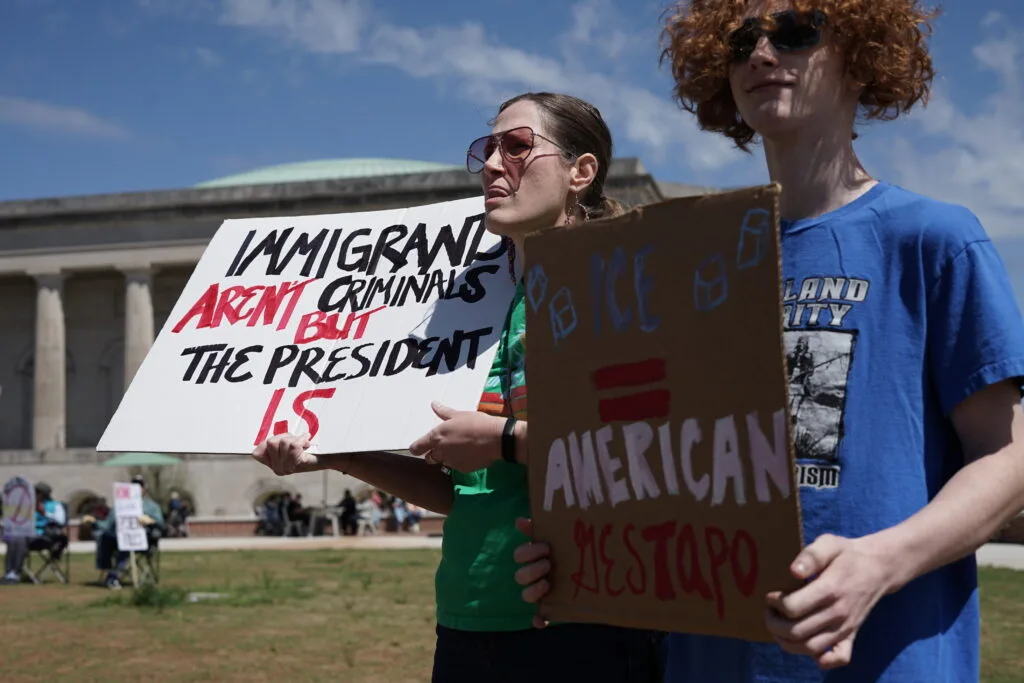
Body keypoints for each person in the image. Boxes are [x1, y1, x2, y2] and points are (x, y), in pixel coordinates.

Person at [513, 2, 1024, 682]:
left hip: (885, 658)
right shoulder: (684, 255)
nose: (760, 53)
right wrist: (583, 558)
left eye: (795, 32)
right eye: (739, 39)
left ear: (860, 53)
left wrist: (884, 561)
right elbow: (650, 463)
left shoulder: (932, 237)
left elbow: (1009, 454)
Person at [253, 91, 664, 682]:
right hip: (468, 619)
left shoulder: (621, 288)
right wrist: (338, 453)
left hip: (584, 619)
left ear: (582, 171)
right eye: (486, 149)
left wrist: (504, 439)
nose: (494, 164)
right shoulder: (475, 309)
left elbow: (652, 446)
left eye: (518, 147)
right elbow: (459, 494)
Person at [90, 474, 165, 589]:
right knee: (104, 536)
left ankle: (113, 576)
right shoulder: (120, 505)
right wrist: (94, 522)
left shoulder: (151, 507)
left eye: (139, 486)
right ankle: (107, 569)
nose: (137, 489)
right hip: (120, 537)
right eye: (134, 486)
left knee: (125, 543)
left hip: (144, 540)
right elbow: (108, 524)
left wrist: (150, 521)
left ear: (144, 489)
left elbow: (160, 524)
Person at [1, 482, 68, 584]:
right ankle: (10, 573)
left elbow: (61, 521)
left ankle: (14, 574)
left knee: (19, 538)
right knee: (13, 538)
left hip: (45, 536)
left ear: (42, 494)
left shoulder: (55, 506)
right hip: (26, 535)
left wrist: (44, 513)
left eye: (36, 492)